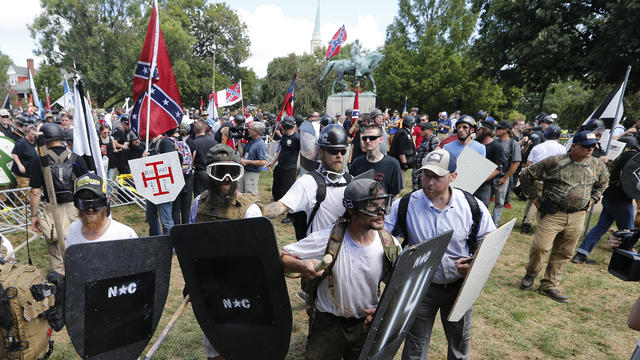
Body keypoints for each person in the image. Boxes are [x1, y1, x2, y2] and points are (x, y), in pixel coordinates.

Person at [384, 148, 495, 360]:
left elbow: (489, 241)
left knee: (459, 343)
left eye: (437, 177)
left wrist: (474, 263)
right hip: (420, 289)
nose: (429, 182)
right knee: (415, 347)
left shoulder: (471, 206)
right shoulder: (406, 204)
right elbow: (381, 234)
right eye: (426, 175)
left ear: (453, 176)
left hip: (459, 290)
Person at [281, 178, 400, 359]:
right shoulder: (327, 239)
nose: (381, 212)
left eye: (384, 204)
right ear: (351, 209)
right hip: (328, 326)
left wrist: (381, 311)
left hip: (366, 325)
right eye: (371, 206)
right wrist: (300, 265)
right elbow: (281, 256)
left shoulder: (388, 243)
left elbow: (399, 286)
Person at [188, 144, 262, 360]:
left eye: (233, 172)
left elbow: (261, 258)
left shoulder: (250, 210)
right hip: (210, 290)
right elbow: (191, 245)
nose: (227, 179)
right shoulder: (198, 204)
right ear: (209, 174)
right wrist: (192, 281)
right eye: (220, 172)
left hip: (243, 291)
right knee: (214, 345)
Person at [519, 131, 609, 303]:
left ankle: (549, 284)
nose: (590, 149)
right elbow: (526, 175)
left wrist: (592, 201)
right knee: (540, 247)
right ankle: (531, 273)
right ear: (574, 146)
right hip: (553, 214)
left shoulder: (597, 165)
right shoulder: (555, 162)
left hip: (577, 216)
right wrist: (536, 200)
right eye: (586, 146)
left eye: (593, 146)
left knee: (564, 252)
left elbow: (604, 182)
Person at [263, 124, 352, 239]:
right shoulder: (308, 182)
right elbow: (280, 206)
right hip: (316, 252)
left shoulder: (351, 181)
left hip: (346, 252)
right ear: (320, 152)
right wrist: (254, 211)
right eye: (333, 151)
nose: (339, 155)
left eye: (342, 151)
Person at [29, 123, 88, 273]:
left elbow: (36, 192)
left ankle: (60, 282)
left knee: (56, 251)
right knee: (79, 244)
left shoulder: (38, 160)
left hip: (52, 209)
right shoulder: (76, 158)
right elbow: (86, 185)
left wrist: (34, 215)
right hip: (76, 207)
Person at [571, 136, 639, 264]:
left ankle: (581, 254)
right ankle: (628, 263)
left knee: (600, 227)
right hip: (622, 200)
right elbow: (625, 176)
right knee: (628, 233)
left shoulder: (623, 155)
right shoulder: (633, 157)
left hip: (610, 196)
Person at [65, 173, 137, 248]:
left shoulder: (125, 235)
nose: (90, 209)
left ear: (107, 201)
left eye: (96, 203)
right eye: (84, 203)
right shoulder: (72, 230)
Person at [520, 124, 566, 234]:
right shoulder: (562, 149)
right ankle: (527, 223)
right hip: (548, 179)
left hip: (534, 176)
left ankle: (525, 219)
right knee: (537, 202)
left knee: (532, 199)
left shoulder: (538, 147)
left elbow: (529, 164)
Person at [350, 124, 403, 197]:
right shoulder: (357, 163)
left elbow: (395, 194)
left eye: (372, 138)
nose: (368, 141)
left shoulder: (392, 164)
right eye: (365, 138)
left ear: (381, 139)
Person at [474, 121, 507, 224]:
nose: (476, 132)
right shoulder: (475, 144)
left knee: (481, 212)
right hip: (468, 182)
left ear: (486, 130)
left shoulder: (497, 146)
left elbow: (498, 169)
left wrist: (480, 180)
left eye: (479, 129)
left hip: (484, 186)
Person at [268, 116, 300, 220]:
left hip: (290, 169)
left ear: (286, 126)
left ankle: (291, 215)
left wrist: (298, 167)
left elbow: (302, 153)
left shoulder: (297, 138)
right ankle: (279, 208)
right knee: (276, 189)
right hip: (280, 166)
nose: (281, 128)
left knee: (287, 191)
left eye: (283, 126)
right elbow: (280, 150)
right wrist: (273, 162)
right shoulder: (284, 136)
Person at [494, 120, 521, 222]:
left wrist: (505, 177)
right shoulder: (494, 141)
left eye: (499, 128)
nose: (497, 130)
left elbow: (516, 163)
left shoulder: (513, 144)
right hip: (489, 176)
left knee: (499, 202)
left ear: (506, 130)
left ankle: (494, 223)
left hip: (502, 177)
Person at [239, 121, 267, 195]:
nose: (248, 130)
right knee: (240, 192)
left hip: (252, 173)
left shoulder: (260, 144)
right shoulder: (251, 141)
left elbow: (263, 162)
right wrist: (238, 141)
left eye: (250, 129)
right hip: (245, 170)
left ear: (256, 132)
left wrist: (247, 162)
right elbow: (242, 155)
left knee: (250, 194)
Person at [192, 120, 218, 196]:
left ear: (195, 130)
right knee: (212, 196)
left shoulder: (194, 143)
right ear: (204, 129)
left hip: (200, 173)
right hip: (212, 172)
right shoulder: (213, 142)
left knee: (200, 197)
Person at [412, 121, 440, 190]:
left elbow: (437, 154)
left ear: (430, 130)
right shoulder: (424, 140)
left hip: (427, 175)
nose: (420, 131)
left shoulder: (434, 139)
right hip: (420, 174)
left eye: (423, 129)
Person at [11, 125, 37, 189]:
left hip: (32, 172)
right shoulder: (21, 142)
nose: (34, 136)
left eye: (35, 134)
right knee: (24, 192)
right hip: (23, 173)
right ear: (27, 133)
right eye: (32, 134)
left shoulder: (36, 142)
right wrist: (20, 165)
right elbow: (14, 153)